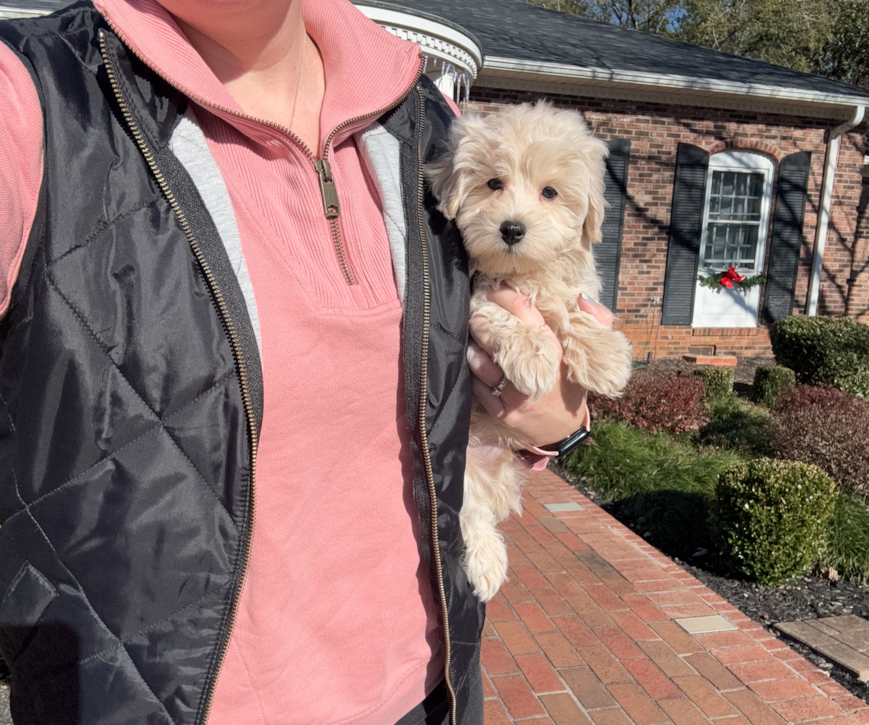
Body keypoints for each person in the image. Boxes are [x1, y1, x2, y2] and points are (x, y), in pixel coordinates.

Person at [0, 0, 609, 723]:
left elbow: (490, 353)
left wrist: (554, 421)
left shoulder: (427, 123)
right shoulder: (35, 95)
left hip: (424, 689)